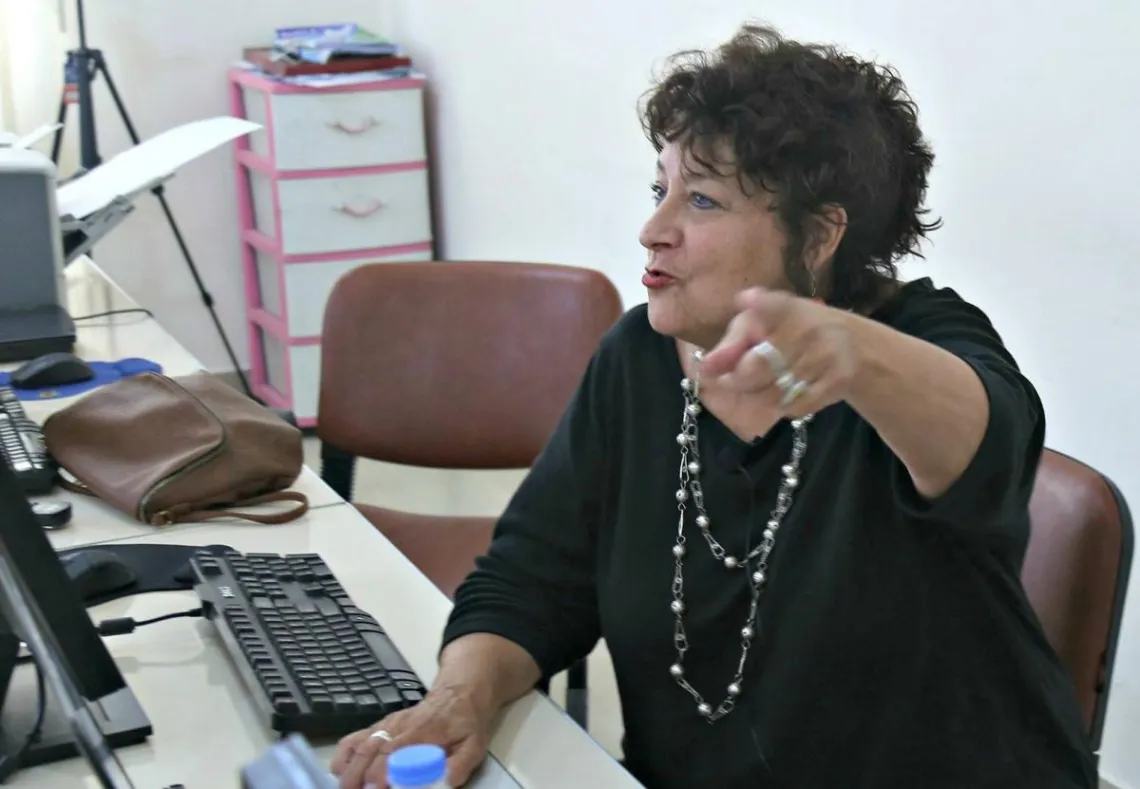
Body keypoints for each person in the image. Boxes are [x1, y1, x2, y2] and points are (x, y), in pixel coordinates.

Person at [331, 23, 1097, 789]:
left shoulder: (918, 344)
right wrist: (458, 698)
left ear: (821, 233)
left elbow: (991, 445)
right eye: (658, 189)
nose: (653, 230)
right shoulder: (636, 359)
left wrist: (853, 352)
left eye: (700, 199)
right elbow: (532, 577)